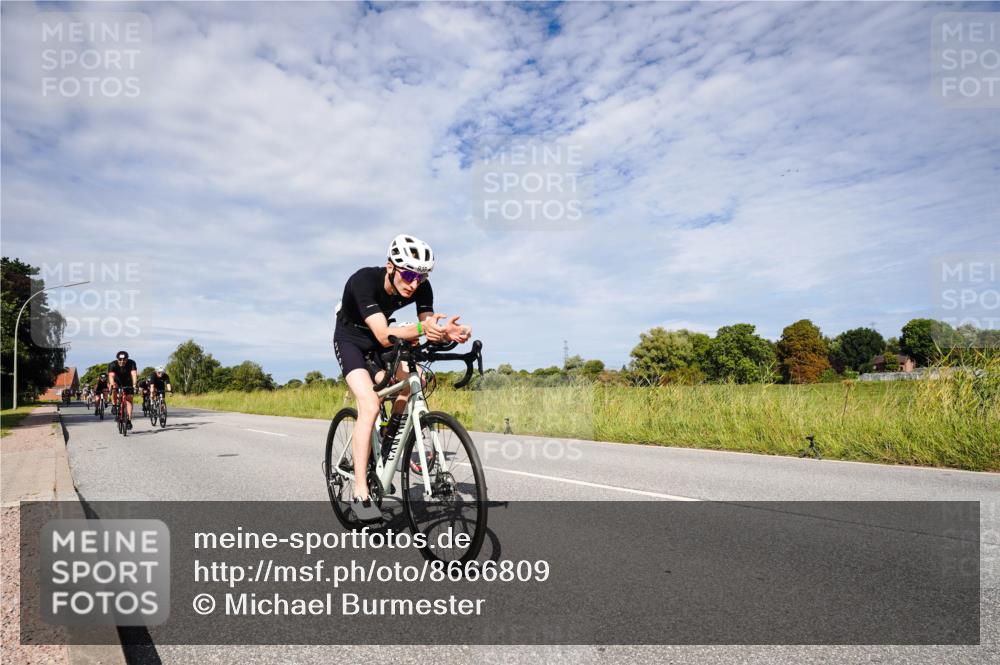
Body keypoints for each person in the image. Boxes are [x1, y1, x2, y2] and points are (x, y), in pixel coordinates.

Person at [333, 234, 471, 523]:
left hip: (383, 340)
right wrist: (424, 329)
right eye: (408, 275)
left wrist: (447, 333)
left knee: (413, 378)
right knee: (369, 404)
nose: (414, 284)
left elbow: (427, 326)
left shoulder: (421, 287)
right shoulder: (363, 281)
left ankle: (388, 437)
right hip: (353, 339)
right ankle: (361, 491)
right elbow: (384, 335)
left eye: (421, 278)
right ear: (391, 267)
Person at [107, 350, 138, 429]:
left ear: (127, 359)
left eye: (124, 359)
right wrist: (112, 383)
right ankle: (114, 405)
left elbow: (134, 374)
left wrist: (134, 384)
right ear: (117, 359)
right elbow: (111, 376)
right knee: (113, 387)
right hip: (117, 381)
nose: (122, 361)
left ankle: (129, 420)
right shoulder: (112, 364)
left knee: (129, 400)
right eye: (120, 360)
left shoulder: (132, 363)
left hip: (128, 382)